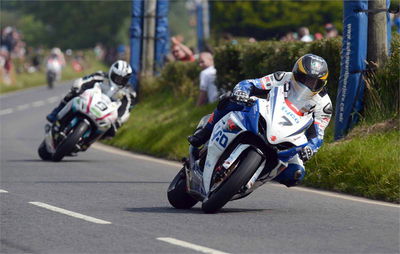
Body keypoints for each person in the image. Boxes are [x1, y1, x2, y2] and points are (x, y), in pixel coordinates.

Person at [188, 54, 332, 187]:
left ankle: (251, 177)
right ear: (295, 73)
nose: (307, 85)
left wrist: (310, 149)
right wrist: (241, 92)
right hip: (263, 115)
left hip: (289, 135)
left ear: (322, 84)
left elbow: (318, 134)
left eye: (314, 82)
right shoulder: (283, 77)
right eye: (304, 78)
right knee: (229, 100)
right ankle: (204, 133)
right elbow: (251, 84)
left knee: (296, 174)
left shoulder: (324, 105)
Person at [46, 60, 136, 137]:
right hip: (90, 101)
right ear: (111, 72)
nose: (118, 80)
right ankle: (56, 113)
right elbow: (85, 81)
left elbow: (126, 109)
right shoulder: (100, 75)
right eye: (116, 77)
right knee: (72, 94)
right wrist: (79, 89)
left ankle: (88, 141)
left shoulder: (128, 92)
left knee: (112, 131)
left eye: (122, 79)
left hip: (106, 113)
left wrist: (119, 119)